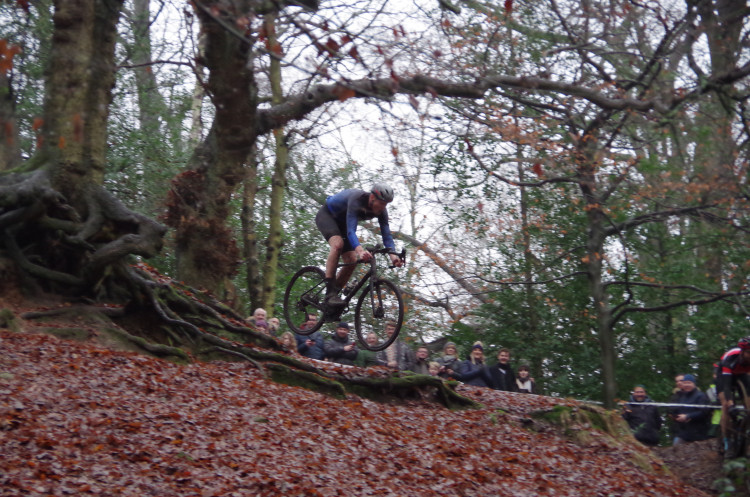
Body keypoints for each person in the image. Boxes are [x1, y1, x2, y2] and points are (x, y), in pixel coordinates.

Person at [315, 183, 403, 305]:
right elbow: (351, 231)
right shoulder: (357, 200)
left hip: (343, 224)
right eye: (382, 203)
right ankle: (329, 294)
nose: (383, 207)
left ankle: (334, 297)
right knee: (337, 245)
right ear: (372, 198)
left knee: (352, 260)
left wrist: (393, 255)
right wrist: (360, 250)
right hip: (327, 216)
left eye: (386, 204)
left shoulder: (382, 210)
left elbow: (386, 234)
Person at [717, 337, 750, 451]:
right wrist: (731, 405)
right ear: (742, 352)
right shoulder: (730, 358)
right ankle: (726, 439)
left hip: (741, 374)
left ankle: (745, 431)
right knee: (726, 405)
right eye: (749, 353)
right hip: (724, 375)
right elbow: (726, 386)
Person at [669, 373, 710, 445]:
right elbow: (677, 409)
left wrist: (688, 416)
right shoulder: (681, 396)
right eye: (685, 383)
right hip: (683, 432)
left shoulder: (701, 395)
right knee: (676, 450)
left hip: (698, 432)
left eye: (689, 383)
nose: (687, 385)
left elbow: (704, 412)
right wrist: (676, 416)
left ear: (694, 384)